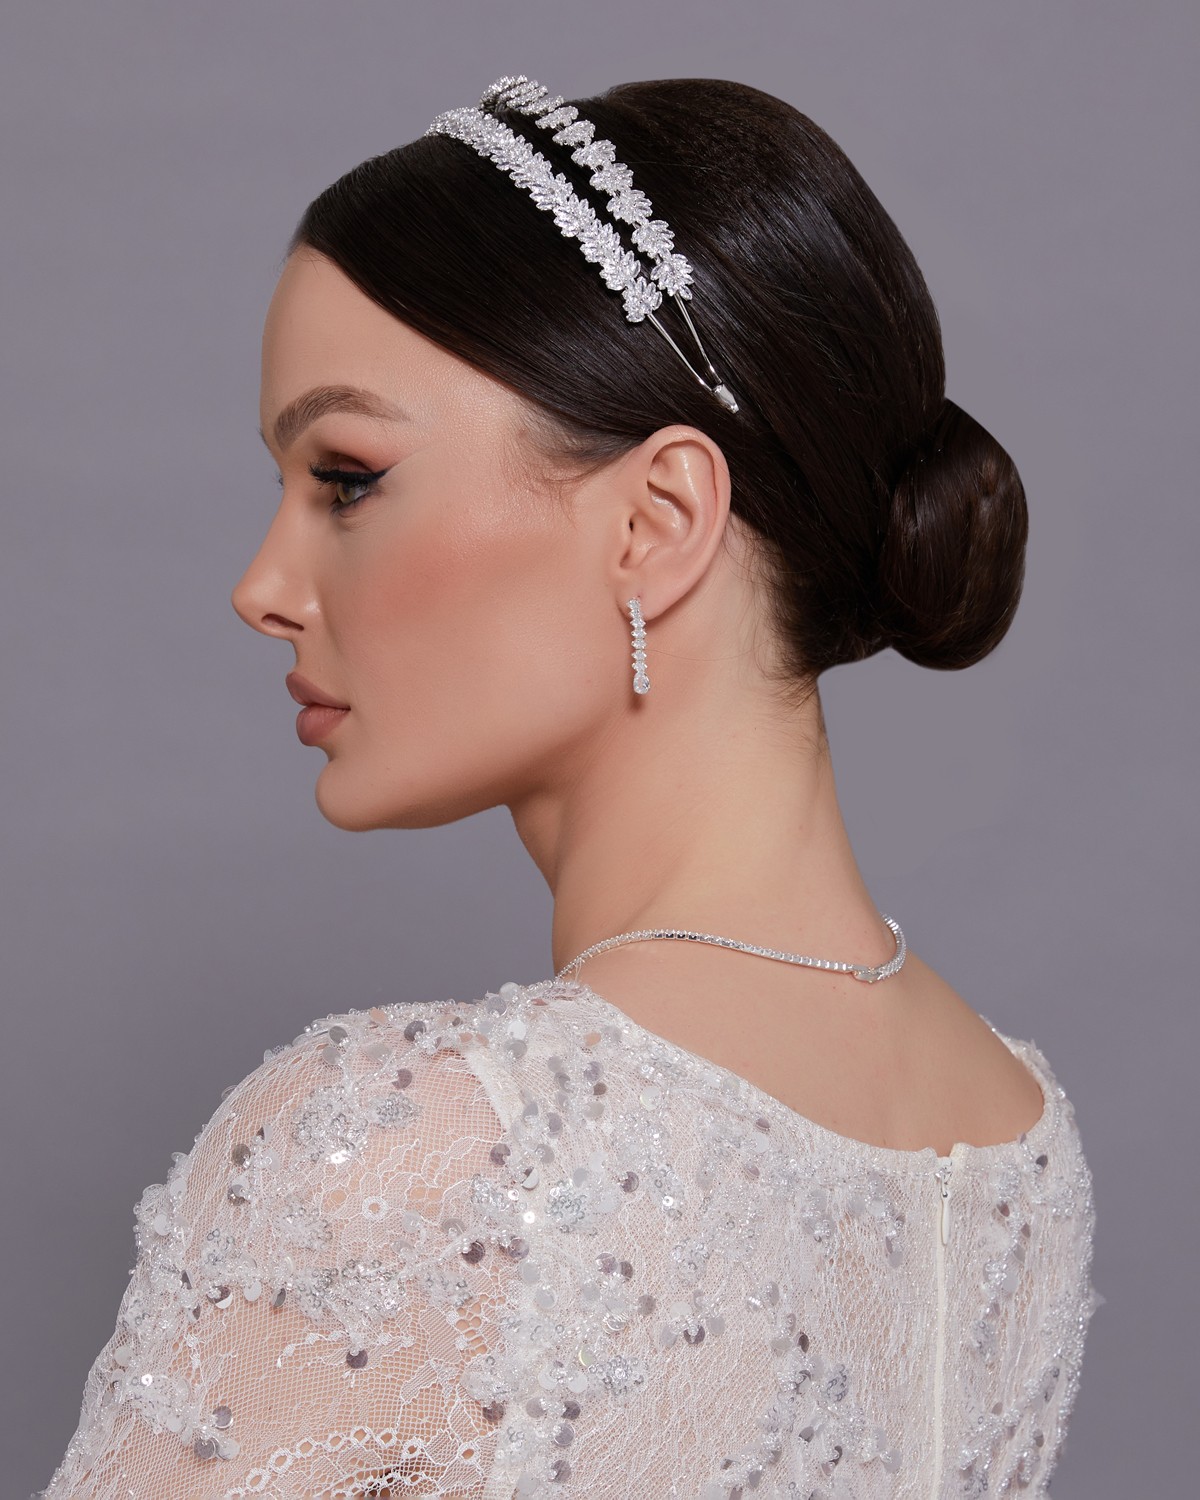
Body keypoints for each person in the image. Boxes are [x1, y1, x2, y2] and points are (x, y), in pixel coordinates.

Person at [39, 73, 1098, 1499]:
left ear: (658, 520)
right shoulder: (1022, 1145)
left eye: (346, 477)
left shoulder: (406, 1150)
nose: (263, 587)